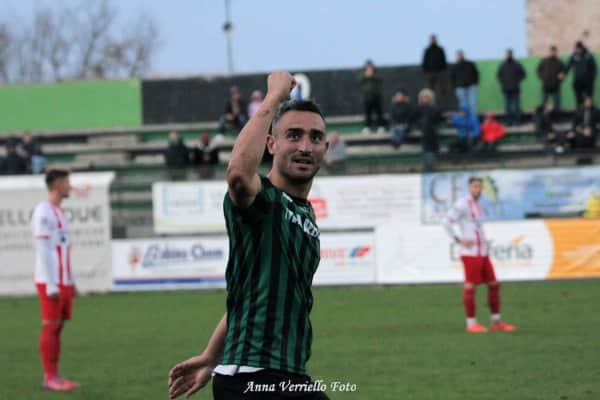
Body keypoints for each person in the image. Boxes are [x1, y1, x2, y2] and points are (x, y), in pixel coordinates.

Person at [168, 71, 330, 400]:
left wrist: (211, 356)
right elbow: (239, 175)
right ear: (271, 144)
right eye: (294, 135)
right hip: (254, 378)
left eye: (315, 138)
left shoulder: (305, 214)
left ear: (325, 148)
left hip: (284, 375)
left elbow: (250, 295)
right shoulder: (261, 199)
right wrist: (273, 98)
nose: (305, 146)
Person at [442, 177, 517, 333]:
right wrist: (459, 240)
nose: (478, 189)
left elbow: (476, 227)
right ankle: (471, 324)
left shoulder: (478, 204)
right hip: (470, 254)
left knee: (494, 284)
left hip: (482, 252)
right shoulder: (462, 204)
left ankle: (496, 322)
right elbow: (445, 222)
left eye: (480, 187)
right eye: (475, 186)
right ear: (469, 188)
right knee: (470, 286)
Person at [32, 169, 80, 391]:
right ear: (58, 184)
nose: (70, 186)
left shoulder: (59, 212)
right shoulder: (43, 211)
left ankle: (56, 375)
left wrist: (72, 280)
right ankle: (49, 377)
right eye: (67, 182)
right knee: (50, 326)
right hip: (50, 281)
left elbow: (63, 249)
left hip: (63, 280)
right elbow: (43, 248)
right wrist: (51, 284)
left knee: (58, 327)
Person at [415, 88, 442, 172]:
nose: (425, 99)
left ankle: (430, 167)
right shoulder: (417, 109)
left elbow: (438, 119)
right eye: (423, 97)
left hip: (431, 135)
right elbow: (414, 119)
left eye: (427, 97)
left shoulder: (435, 109)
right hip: (424, 135)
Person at [497, 49, 526, 126]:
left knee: (516, 106)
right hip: (506, 89)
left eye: (509, 54)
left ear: (512, 55)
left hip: (515, 89)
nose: (508, 56)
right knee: (508, 107)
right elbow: (499, 75)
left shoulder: (516, 64)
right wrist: (503, 82)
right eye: (507, 54)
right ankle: (509, 122)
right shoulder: (502, 65)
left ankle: (518, 121)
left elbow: (523, 74)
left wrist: (517, 81)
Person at [563, 41, 597, 106]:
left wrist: (593, 78)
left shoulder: (588, 55)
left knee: (588, 99)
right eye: (577, 49)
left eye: (579, 48)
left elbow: (594, 68)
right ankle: (579, 111)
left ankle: (589, 111)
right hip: (578, 81)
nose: (578, 50)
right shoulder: (574, 56)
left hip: (588, 81)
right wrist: (564, 73)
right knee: (579, 99)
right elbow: (568, 65)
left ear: (582, 48)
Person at [359, 59, 385, 133]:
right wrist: (366, 76)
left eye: (370, 66)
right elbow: (359, 81)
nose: (369, 67)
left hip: (376, 96)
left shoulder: (377, 74)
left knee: (379, 112)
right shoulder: (363, 74)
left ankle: (381, 126)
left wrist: (372, 75)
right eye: (368, 66)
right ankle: (367, 127)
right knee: (368, 113)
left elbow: (380, 79)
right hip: (367, 97)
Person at [536, 45, 565, 111]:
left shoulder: (559, 62)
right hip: (546, 86)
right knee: (543, 103)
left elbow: (563, 72)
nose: (552, 53)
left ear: (556, 52)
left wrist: (561, 77)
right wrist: (543, 78)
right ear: (549, 52)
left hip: (555, 86)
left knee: (557, 104)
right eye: (551, 51)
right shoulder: (544, 61)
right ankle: (542, 116)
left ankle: (556, 116)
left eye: (554, 51)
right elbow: (538, 70)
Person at [451, 50, 479, 115]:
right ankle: (464, 118)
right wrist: (455, 86)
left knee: (472, 103)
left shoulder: (470, 64)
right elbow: (452, 77)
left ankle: (473, 118)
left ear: (463, 55)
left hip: (471, 86)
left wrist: (475, 83)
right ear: (456, 56)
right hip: (460, 87)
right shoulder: (455, 66)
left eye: (461, 54)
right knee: (463, 104)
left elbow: (476, 73)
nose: (460, 56)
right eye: (458, 55)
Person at [421, 34, 448, 99]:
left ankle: (441, 100)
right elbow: (425, 60)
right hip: (430, 72)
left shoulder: (440, 49)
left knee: (441, 88)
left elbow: (443, 60)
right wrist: (426, 70)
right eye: (432, 39)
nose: (433, 40)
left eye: (434, 39)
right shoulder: (427, 50)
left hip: (439, 72)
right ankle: (431, 100)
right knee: (430, 88)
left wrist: (443, 70)